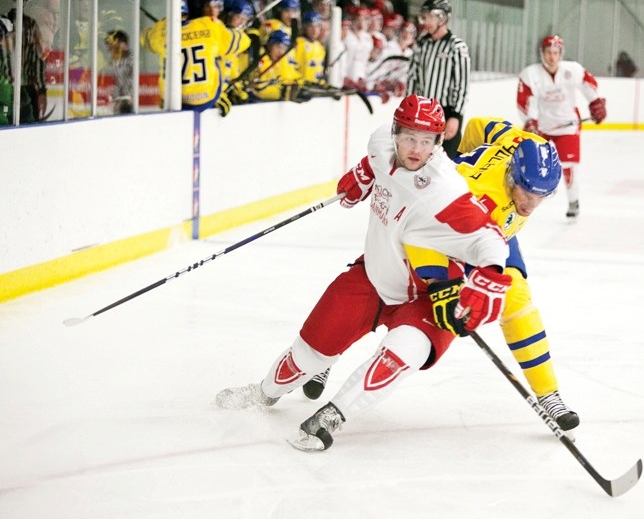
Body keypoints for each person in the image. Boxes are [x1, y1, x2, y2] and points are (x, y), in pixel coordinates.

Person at [216, 95, 513, 452]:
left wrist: (491, 277)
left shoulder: (444, 190)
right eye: (408, 137)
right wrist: (364, 174)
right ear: (394, 133)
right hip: (373, 274)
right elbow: (377, 161)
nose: (416, 149)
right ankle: (264, 392)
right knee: (309, 352)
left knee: (401, 353)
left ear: (438, 143)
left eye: (426, 140)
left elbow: (490, 239)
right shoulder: (380, 144)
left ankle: (331, 417)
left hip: (428, 295)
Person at [302, 117, 581, 431]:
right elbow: (423, 235)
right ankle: (324, 354)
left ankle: (548, 394)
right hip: (444, 226)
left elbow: (479, 126)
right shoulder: (473, 196)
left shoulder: (523, 144)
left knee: (518, 302)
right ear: (512, 175)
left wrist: (458, 154)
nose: (531, 204)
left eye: (541, 197)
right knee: (382, 282)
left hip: (493, 234)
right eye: (527, 193)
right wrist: (442, 282)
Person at [517, 35, 606, 220]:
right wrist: (530, 120)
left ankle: (573, 201)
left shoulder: (572, 69)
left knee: (567, 166)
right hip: (542, 127)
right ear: (542, 53)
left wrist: (596, 102)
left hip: (568, 127)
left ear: (561, 54)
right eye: (548, 52)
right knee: (534, 166)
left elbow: (588, 84)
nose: (552, 57)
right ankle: (526, 202)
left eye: (555, 52)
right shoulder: (531, 74)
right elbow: (526, 99)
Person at [407, 0, 470, 159]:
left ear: (442, 18)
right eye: (424, 16)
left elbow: (462, 85)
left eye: (430, 17)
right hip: (421, 112)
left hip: (445, 114)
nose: (426, 21)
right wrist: (408, 106)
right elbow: (412, 77)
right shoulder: (422, 44)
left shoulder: (456, 46)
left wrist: (456, 117)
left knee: (443, 165)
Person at [6, 0, 47, 123]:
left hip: (25, 83)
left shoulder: (31, 24)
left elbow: (40, 54)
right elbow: (41, 53)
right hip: (11, 82)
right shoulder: (5, 24)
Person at [104, 29, 133, 114]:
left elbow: (133, 81)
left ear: (121, 43)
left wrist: (129, 98)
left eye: (111, 43)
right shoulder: (114, 60)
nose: (109, 47)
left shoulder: (133, 60)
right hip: (118, 102)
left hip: (129, 102)